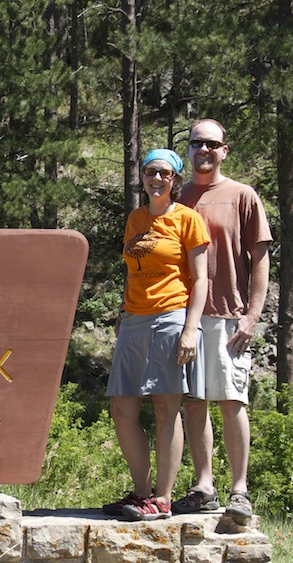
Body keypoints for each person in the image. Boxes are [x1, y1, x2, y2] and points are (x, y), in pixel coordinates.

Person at [171, 119, 273, 523]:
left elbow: (260, 258)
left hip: (229, 316)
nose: (204, 149)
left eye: (212, 144)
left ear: (224, 151)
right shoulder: (177, 197)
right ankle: (204, 486)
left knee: (231, 401)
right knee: (193, 403)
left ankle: (240, 490)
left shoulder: (242, 196)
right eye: (197, 142)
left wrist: (252, 315)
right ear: (188, 148)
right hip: (183, 316)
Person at [103, 149, 210, 521]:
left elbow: (201, 279)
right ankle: (142, 492)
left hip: (171, 317)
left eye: (164, 173)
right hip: (134, 320)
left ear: (175, 179)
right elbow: (133, 270)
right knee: (122, 408)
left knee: (166, 408)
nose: (157, 178)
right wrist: (123, 310)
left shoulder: (188, 219)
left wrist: (191, 329)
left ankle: (162, 499)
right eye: (150, 172)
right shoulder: (136, 218)